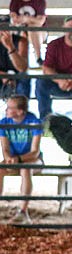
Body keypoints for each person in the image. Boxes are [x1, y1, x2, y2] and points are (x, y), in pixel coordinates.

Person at [0, 95, 42, 224]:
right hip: (13, 159)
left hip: (32, 160)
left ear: (19, 111)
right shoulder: (4, 123)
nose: (6, 110)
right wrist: (8, 158)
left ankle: (23, 211)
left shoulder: (34, 122)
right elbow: (5, 148)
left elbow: (35, 152)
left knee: (26, 169)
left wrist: (18, 159)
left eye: (9, 108)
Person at [9, 0, 47, 65]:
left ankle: (38, 57)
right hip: (20, 31)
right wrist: (32, 19)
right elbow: (14, 19)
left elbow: (40, 22)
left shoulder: (40, 1)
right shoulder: (15, 0)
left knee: (33, 28)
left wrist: (26, 19)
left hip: (39, 33)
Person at [0, 28, 30, 98]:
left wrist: (10, 46)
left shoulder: (21, 41)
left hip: (16, 76)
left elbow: (23, 68)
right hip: (2, 76)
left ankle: (20, 107)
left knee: (24, 77)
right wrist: (5, 76)